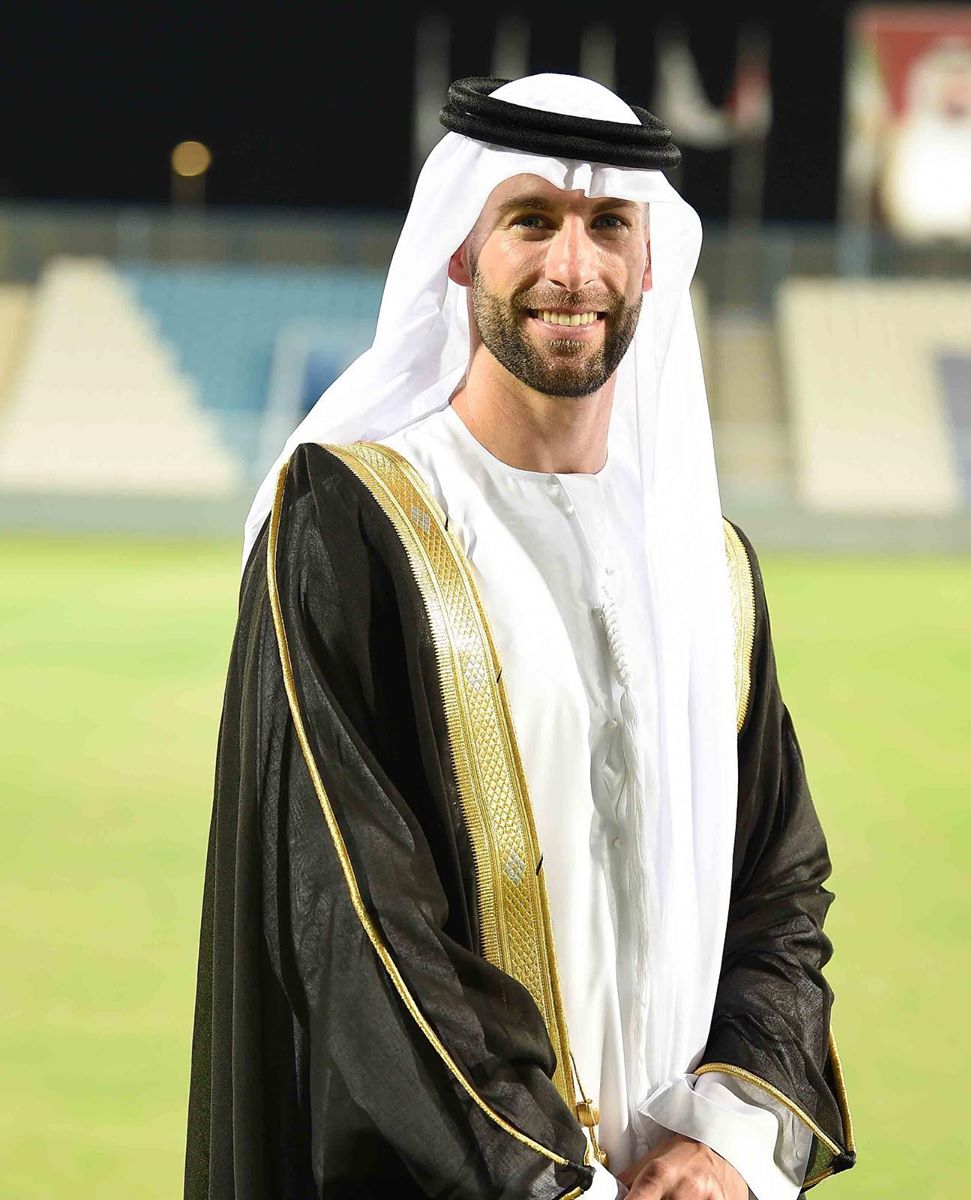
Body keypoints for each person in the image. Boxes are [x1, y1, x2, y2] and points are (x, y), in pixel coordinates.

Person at [184, 74, 855, 1200]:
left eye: (608, 227)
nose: (573, 268)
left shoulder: (709, 566)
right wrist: (557, 1181)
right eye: (530, 219)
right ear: (461, 250)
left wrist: (727, 1145)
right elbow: (360, 929)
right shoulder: (350, 527)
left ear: (651, 263)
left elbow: (782, 887)